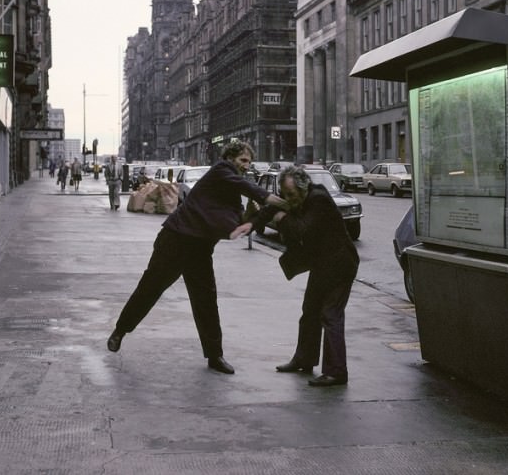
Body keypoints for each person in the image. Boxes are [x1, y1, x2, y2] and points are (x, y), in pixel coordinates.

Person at [107, 141, 287, 374]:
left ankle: (215, 355)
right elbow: (250, 188)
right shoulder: (221, 170)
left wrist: (254, 215)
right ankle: (120, 331)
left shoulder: (231, 192)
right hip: (176, 240)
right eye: (243, 161)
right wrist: (284, 203)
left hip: (200, 247)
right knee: (149, 289)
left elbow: (239, 220)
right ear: (230, 158)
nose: (246, 166)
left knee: (206, 300)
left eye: (249, 163)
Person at [232, 165, 359, 387]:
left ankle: (336, 372)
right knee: (309, 311)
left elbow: (302, 229)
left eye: (291, 195)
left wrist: (282, 218)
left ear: (304, 188)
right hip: (322, 264)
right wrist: (250, 225)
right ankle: (304, 359)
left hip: (340, 264)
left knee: (330, 315)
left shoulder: (318, 198)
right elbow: (269, 210)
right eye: (285, 194)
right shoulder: (293, 195)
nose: (288, 199)